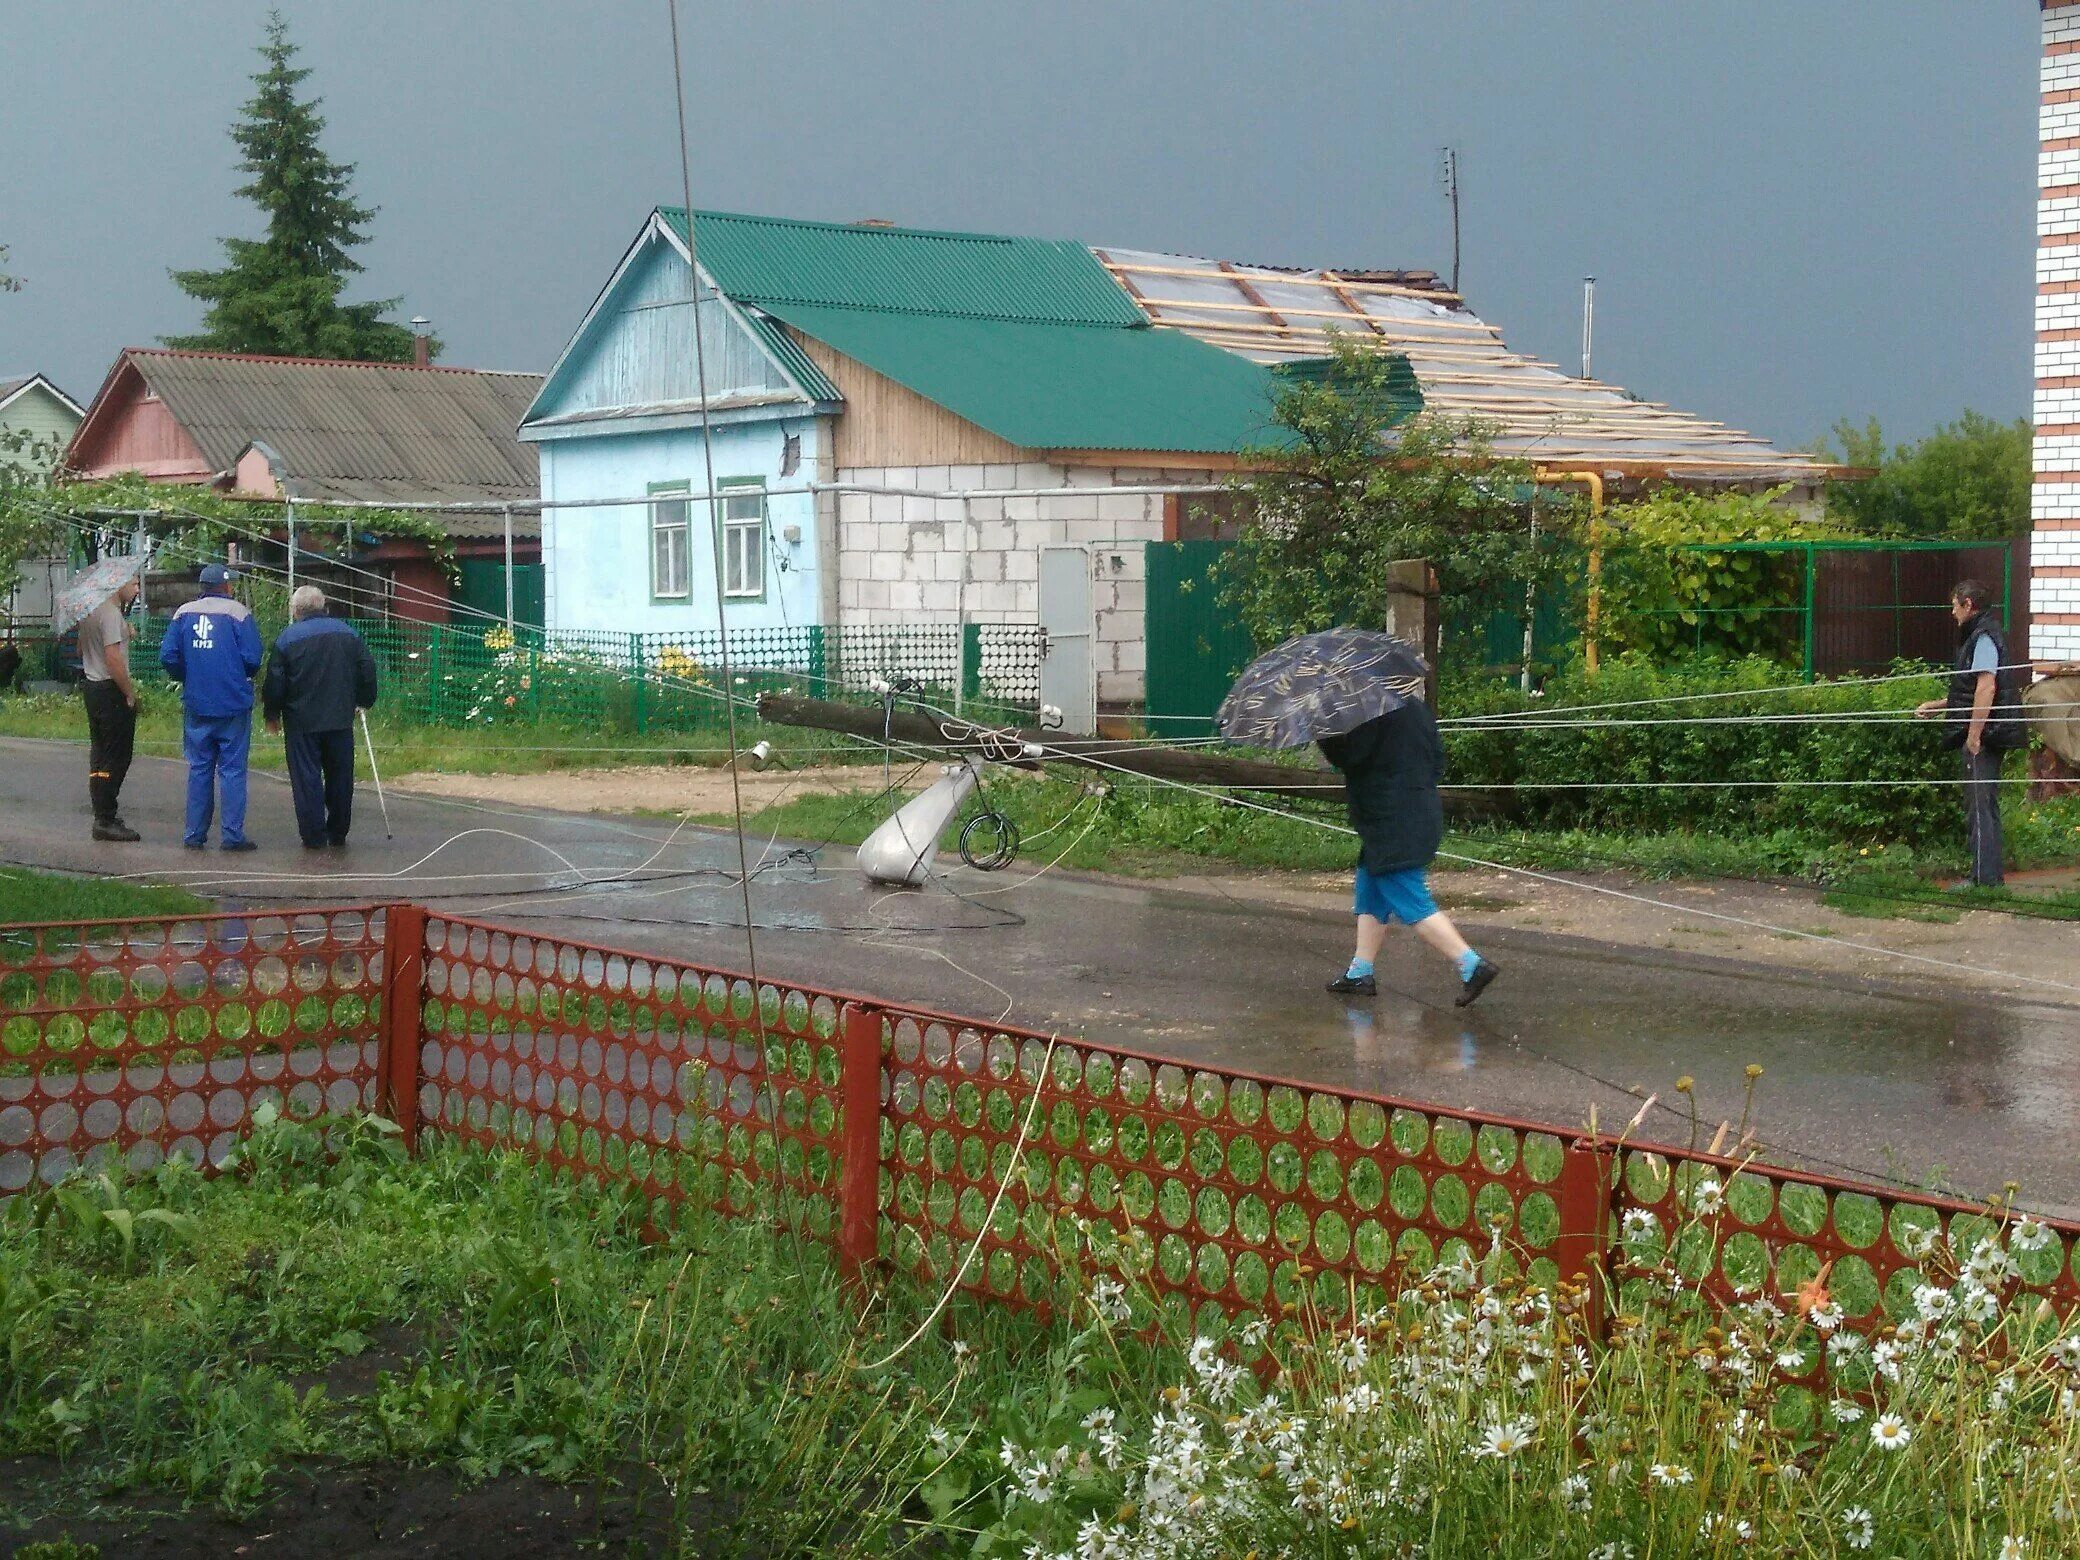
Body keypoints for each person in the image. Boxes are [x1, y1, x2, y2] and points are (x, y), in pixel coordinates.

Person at [1319, 699, 1498, 1006]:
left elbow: (1351, 755)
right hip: (1419, 809)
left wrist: (1323, 731)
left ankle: (1470, 964)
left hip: (1391, 819)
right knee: (1371, 886)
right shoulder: (1415, 708)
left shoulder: (1370, 711)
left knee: (1410, 898)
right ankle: (1360, 972)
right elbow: (1437, 760)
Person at [1915, 579, 2028, 888]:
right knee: (1982, 805)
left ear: (1968, 605)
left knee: (1980, 807)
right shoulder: (1981, 635)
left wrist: (1974, 735)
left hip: (1986, 735)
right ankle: (1986, 876)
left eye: (1955, 605)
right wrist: (1940, 705)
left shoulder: (1983, 637)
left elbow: (1986, 687)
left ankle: (1985, 880)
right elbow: (1970, 690)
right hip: (1987, 731)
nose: (1952, 612)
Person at [263, 586, 378, 850]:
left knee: (306, 778)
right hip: (340, 717)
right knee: (340, 776)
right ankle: (338, 831)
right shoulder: (348, 633)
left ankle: (314, 835)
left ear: (295, 610)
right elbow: (366, 668)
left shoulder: (287, 638)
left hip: (301, 721)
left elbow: (275, 681)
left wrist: (272, 713)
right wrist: (363, 700)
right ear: (323, 606)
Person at [159, 564, 264, 852]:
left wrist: (186, 675)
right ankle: (232, 835)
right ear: (226, 586)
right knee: (232, 770)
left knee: (199, 767)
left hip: (197, 701)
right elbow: (253, 658)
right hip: (232, 703)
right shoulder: (239, 614)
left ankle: (194, 834)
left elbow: (168, 655)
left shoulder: (182, 613)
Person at [78, 575, 142, 842]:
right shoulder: (112, 614)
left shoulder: (91, 612)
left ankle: (102, 811)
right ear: (118, 584)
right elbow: (113, 658)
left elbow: (82, 647)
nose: (137, 589)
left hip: (92, 687)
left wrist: (123, 631)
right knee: (117, 755)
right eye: (134, 583)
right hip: (109, 689)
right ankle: (105, 818)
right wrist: (129, 693)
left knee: (100, 752)